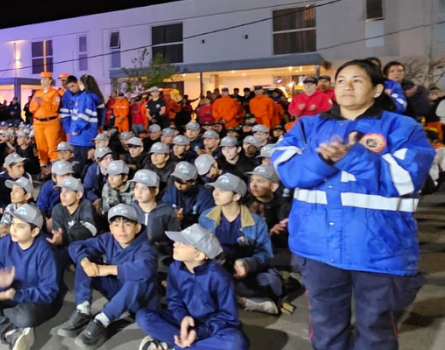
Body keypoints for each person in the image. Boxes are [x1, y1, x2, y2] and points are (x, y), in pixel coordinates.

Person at [271, 59, 433, 350]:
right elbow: (288, 171)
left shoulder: (402, 127)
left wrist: (353, 157)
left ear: (377, 89)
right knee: (325, 328)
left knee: (376, 330)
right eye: (341, 80)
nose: (346, 86)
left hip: (378, 250)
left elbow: (406, 178)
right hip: (317, 248)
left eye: (357, 80)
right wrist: (323, 159)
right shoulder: (307, 126)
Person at [0, 203, 63, 350]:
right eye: (13, 224)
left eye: (21, 226)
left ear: (34, 232)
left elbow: (49, 292)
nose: (13, 229)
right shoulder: (4, 243)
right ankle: (9, 333)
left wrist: (17, 294)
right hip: (9, 293)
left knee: (25, 318)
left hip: (36, 299)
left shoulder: (45, 252)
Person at [57, 204, 158, 348]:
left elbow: (145, 270)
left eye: (127, 224)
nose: (121, 230)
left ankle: (102, 321)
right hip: (118, 291)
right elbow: (76, 246)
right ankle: (83, 309)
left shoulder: (146, 246)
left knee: (138, 277)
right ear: (110, 228)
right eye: (116, 225)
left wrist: (108, 269)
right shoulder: (110, 238)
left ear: (137, 227)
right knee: (85, 260)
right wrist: (85, 262)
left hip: (140, 300)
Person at [136, 224, 248, 350]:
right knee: (143, 316)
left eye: (183, 243)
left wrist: (199, 333)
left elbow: (228, 317)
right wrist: (183, 317)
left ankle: (176, 345)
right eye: (177, 240)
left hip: (211, 328)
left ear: (199, 255)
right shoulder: (175, 267)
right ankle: (187, 343)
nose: (175, 244)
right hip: (185, 323)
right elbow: (174, 301)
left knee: (236, 343)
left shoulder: (220, 278)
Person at [199, 173, 281, 315]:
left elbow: (264, 253)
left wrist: (246, 264)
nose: (216, 193)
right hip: (215, 269)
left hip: (242, 272)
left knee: (273, 283)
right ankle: (240, 299)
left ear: (236, 196)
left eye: (223, 190)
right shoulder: (206, 217)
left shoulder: (256, 222)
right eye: (215, 189)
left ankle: (227, 297)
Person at [129, 169, 180, 257]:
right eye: (136, 187)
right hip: (132, 253)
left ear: (155, 191)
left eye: (144, 188)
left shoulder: (166, 211)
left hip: (159, 256)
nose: (139, 192)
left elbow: (175, 237)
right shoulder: (130, 209)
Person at [68, 74, 104, 173]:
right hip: (88, 135)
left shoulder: (85, 97)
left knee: (79, 164)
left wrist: (75, 130)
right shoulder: (93, 96)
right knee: (85, 163)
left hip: (82, 137)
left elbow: (83, 116)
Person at [162, 162, 215, 228]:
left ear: (193, 182)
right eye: (176, 181)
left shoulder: (205, 196)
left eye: (182, 183)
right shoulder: (171, 191)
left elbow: (207, 222)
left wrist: (184, 219)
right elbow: (163, 208)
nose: (179, 185)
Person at [29, 72, 63, 171]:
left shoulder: (54, 93)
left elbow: (54, 108)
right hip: (38, 123)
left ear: (50, 80)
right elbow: (32, 108)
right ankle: (43, 170)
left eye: (45, 79)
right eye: (42, 79)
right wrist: (39, 104)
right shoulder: (37, 93)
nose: (43, 81)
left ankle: (56, 170)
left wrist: (42, 102)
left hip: (51, 123)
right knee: (41, 148)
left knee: (52, 147)